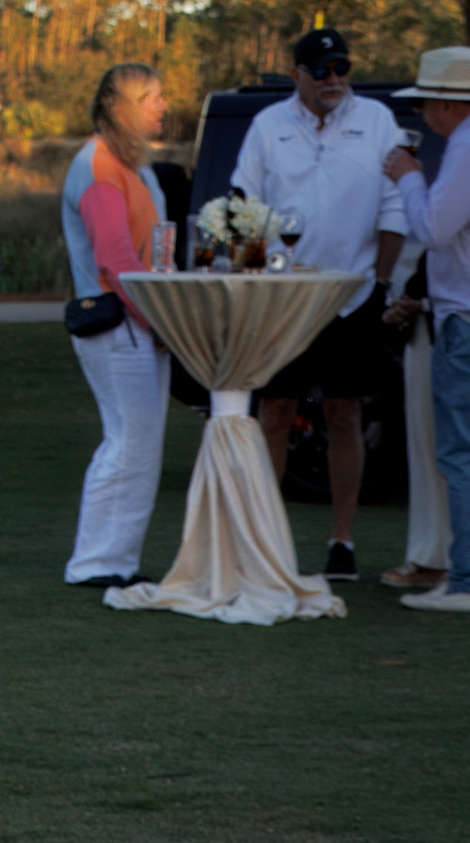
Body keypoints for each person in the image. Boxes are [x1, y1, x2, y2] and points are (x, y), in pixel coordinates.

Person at [231, 25, 406, 584]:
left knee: (343, 413)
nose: (335, 81)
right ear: (297, 76)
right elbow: (243, 206)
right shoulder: (267, 126)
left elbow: (395, 208)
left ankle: (342, 542)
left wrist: (380, 282)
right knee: (275, 413)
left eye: (342, 70)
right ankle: (265, 541)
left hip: (351, 294)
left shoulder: (377, 120)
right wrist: (255, 275)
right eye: (322, 71)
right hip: (284, 298)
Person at [60, 64, 172, 589]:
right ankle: (98, 562)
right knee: (129, 440)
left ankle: (113, 559)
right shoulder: (100, 166)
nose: (163, 105)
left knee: (135, 441)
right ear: (125, 106)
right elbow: (114, 257)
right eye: (152, 96)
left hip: (136, 322)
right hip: (118, 322)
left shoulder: (132, 166)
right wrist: (158, 317)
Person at [384, 45, 470, 613]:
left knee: (459, 451)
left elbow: (435, 229)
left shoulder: (464, 147)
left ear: (445, 104)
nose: (422, 116)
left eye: (424, 105)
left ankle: (464, 580)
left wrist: (409, 179)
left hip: (463, 315)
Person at [380, 253, 454, 591]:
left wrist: (419, 303)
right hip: (425, 327)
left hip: (448, 322)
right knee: (425, 445)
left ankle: (445, 558)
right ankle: (432, 555)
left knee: (447, 447)